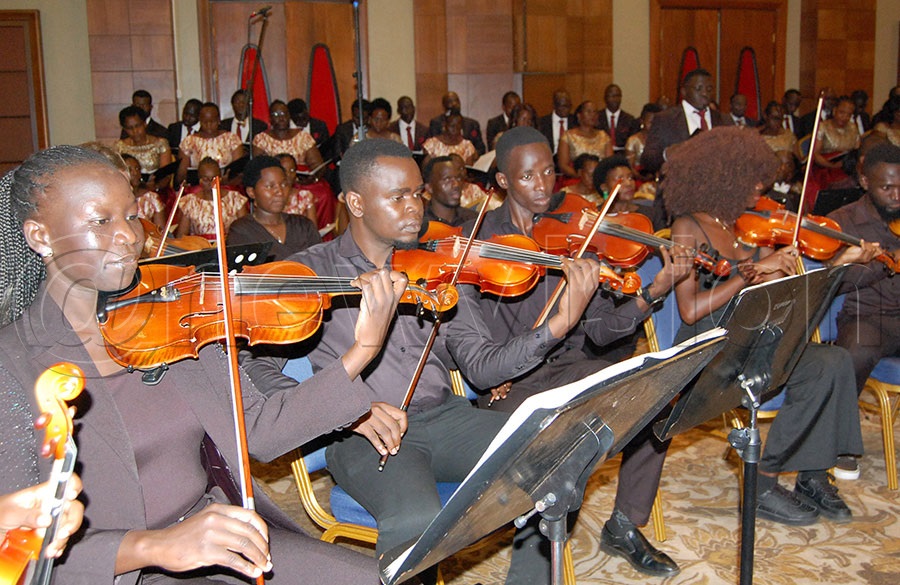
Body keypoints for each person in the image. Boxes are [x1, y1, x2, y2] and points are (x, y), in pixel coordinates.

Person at [0, 145, 403, 583]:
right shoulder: (13, 364)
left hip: (221, 538)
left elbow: (261, 430)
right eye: (102, 221)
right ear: (40, 236)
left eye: (132, 216)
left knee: (377, 579)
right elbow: (20, 554)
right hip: (124, 571)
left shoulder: (171, 317)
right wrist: (154, 546)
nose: (130, 236)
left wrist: (360, 351)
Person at [240, 138, 512, 584]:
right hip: (360, 436)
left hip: (446, 417)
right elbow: (256, 367)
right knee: (416, 518)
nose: (415, 208)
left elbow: (471, 355)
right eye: (398, 196)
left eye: (418, 193)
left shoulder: (430, 264)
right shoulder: (310, 274)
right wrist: (341, 412)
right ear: (355, 203)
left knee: (551, 451)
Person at [444, 126, 693, 579]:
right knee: (570, 437)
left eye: (548, 173)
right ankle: (534, 570)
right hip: (510, 385)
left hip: (573, 369)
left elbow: (603, 328)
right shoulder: (475, 243)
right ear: (502, 182)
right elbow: (477, 360)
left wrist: (654, 291)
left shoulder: (572, 236)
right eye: (527, 177)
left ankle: (624, 524)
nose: (542, 186)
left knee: (658, 401)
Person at [665, 126, 875, 526]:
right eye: (750, 176)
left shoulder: (752, 226)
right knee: (813, 366)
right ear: (722, 177)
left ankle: (813, 476)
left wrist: (835, 265)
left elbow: (785, 295)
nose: (761, 186)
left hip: (758, 336)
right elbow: (690, 310)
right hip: (712, 344)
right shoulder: (687, 226)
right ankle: (760, 483)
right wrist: (750, 273)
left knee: (834, 362)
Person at [827, 142, 900, 397]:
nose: (896, 197)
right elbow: (833, 282)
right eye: (887, 188)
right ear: (865, 181)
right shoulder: (841, 221)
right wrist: (888, 263)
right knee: (854, 354)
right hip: (867, 317)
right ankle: (837, 426)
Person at [227, 155, 321, 262]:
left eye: (283, 184)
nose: (280, 192)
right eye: (270, 186)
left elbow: (320, 266)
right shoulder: (242, 230)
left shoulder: (304, 226)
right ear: (251, 192)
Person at [640, 68, 733, 175]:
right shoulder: (665, 119)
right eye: (699, 89)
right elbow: (647, 160)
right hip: (677, 186)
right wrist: (667, 154)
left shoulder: (725, 120)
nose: (704, 93)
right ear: (684, 91)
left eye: (709, 89)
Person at [175, 157, 248, 240]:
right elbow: (181, 238)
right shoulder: (189, 202)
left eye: (214, 179)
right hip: (199, 248)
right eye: (206, 179)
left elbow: (245, 232)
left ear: (220, 178)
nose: (211, 183)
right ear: (199, 180)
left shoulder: (235, 199)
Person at [175, 102, 244, 186]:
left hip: (228, 186)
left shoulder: (231, 139)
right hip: (198, 189)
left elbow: (239, 172)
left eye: (212, 121)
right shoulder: (189, 142)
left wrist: (226, 182)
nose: (209, 125)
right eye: (205, 122)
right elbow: (181, 176)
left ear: (218, 120)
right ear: (200, 121)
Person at [253, 100, 327, 177]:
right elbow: (257, 169)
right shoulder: (261, 139)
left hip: (301, 182)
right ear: (270, 118)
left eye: (284, 113)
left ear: (289, 116)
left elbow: (318, 166)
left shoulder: (303, 137)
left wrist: (310, 179)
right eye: (276, 114)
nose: (281, 118)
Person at [114, 105, 173, 183]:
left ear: (145, 123)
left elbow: (166, 176)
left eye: (138, 126)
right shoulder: (119, 147)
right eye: (130, 128)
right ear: (124, 129)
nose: (135, 131)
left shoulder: (161, 144)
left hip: (157, 188)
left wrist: (151, 188)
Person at [557, 100, 613, 178]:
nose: (593, 115)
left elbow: (609, 164)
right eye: (589, 112)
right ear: (579, 115)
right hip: (576, 179)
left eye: (595, 112)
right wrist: (582, 177)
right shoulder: (568, 136)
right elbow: (563, 165)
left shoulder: (604, 136)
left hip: (600, 179)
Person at [420, 155, 476, 228]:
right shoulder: (419, 224)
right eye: (447, 179)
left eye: (458, 178)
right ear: (429, 187)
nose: (456, 185)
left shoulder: (474, 220)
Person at [426, 91, 486, 156]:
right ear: (443, 106)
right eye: (450, 101)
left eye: (456, 100)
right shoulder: (436, 123)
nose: (454, 104)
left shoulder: (472, 124)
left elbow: (481, 149)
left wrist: (471, 155)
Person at [121, 153, 166, 230]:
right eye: (130, 170)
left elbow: (161, 231)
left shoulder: (151, 197)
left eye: (137, 169)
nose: (135, 173)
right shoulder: (114, 199)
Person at [277, 152, 319, 225]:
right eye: (284, 171)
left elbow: (313, 228)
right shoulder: (271, 198)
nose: (289, 175)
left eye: (292, 170)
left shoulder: (305, 196)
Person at [625, 103, 663, 180]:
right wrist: (642, 177)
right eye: (650, 122)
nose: (653, 126)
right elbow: (629, 166)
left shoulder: (662, 139)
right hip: (638, 178)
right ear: (642, 121)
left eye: (656, 122)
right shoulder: (633, 140)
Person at [597, 84, 638, 152]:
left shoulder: (629, 119)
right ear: (605, 98)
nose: (615, 99)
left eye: (618, 96)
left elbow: (632, 142)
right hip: (602, 153)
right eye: (611, 96)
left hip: (622, 155)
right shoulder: (597, 117)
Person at [537, 89, 575, 156]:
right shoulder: (542, 122)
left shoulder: (575, 121)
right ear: (554, 105)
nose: (566, 109)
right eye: (562, 106)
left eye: (568, 106)